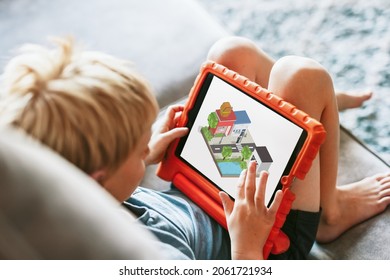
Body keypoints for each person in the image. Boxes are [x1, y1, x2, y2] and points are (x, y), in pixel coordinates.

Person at [0, 36, 389, 259]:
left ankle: (318, 102)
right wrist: (247, 243)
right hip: (265, 234)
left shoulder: (76, 194)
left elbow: (117, 178)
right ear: (95, 179)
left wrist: (149, 151)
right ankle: (329, 212)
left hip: (203, 187)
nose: (146, 151)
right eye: (137, 151)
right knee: (302, 76)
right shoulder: (151, 257)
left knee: (230, 54)